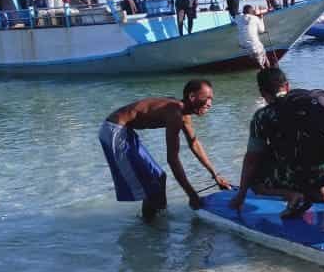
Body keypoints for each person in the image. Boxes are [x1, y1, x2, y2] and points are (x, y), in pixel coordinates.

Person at [99, 80, 231, 221]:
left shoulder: (184, 113)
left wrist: (215, 174)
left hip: (126, 130)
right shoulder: (175, 113)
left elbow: (194, 144)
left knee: (159, 177)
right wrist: (192, 195)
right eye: (207, 98)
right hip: (114, 130)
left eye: (211, 99)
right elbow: (172, 160)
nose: (210, 103)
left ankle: (157, 220)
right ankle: (150, 223)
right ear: (192, 97)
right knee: (154, 180)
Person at [229, 67, 324, 217]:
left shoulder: (262, 116)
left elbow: (251, 159)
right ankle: (322, 193)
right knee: (313, 158)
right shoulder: (314, 102)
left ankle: (292, 195)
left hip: (302, 173)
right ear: (287, 86)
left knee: (255, 178)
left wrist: (241, 194)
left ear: (262, 93)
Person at [237, 3, 270, 68]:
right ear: (251, 11)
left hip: (243, 45)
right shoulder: (255, 18)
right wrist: (261, 18)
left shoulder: (238, 19)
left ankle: (261, 66)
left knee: (258, 59)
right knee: (264, 55)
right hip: (254, 45)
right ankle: (266, 68)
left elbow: (239, 15)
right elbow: (262, 30)